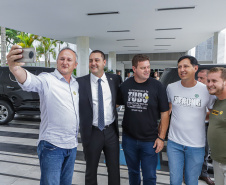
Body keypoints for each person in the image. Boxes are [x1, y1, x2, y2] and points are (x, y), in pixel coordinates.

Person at [6, 45, 79, 185]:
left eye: (69, 60)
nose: (65, 62)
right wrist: (15, 68)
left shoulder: (76, 84)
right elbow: (29, 81)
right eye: (62, 59)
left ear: (75, 65)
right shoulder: (47, 79)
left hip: (72, 145)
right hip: (52, 146)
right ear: (57, 62)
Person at [118, 54, 169, 185]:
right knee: (133, 172)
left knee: (150, 176)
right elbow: (116, 105)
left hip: (150, 140)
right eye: (143, 68)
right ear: (134, 69)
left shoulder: (158, 86)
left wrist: (161, 138)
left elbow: (165, 113)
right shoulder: (125, 86)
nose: (147, 70)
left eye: (148, 67)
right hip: (129, 139)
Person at [166, 55, 215, 185]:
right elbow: (167, 110)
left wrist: (199, 116)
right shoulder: (171, 88)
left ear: (195, 68)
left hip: (196, 145)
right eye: (179, 67)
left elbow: (214, 112)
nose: (182, 69)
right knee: (174, 180)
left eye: (186, 66)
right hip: (174, 143)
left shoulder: (205, 90)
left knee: (191, 181)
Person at [77, 50, 120, 185]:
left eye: (96, 60)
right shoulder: (80, 82)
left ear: (104, 62)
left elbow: (120, 99)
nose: (93, 63)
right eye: (91, 61)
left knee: (114, 169)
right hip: (92, 132)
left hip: (111, 131)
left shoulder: (115, 80)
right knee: (91, 169)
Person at [207, 67, 226, 185]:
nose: (210, 84)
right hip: (217, 160)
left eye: (214, 81)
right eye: (208, 81)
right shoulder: (218, 101)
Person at [197, 69, 215, 185]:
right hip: (193, 125)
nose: (198, 80)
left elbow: (214, 112)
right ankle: (187, 173)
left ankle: (203, 174)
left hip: (206, 125)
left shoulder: (211, 93)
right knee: (189, 151)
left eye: (201, 78)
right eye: (197, 77)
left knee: (205, 151)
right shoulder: (194, 90)